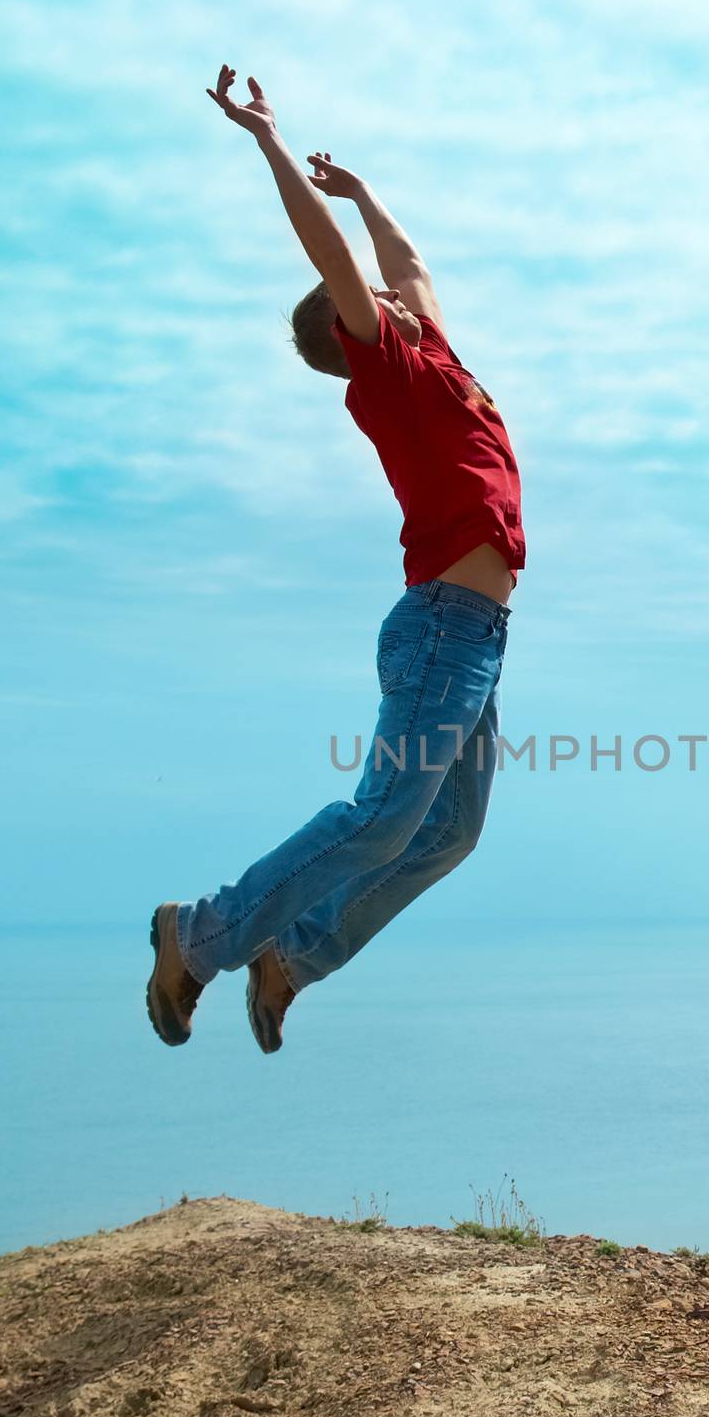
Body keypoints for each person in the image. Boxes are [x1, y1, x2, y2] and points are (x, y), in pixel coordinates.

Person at [145, 65, 525, 1055]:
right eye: (373, 296)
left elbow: (410, 265)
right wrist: (270, 143)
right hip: (442, 626)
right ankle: (202, 933)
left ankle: (293, 954)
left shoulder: (437, 356)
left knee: (446, 833)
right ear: (357, 327)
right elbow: (342, 264)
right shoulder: (391, 373)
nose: (396, 293)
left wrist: (366, 194)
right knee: (386, 817)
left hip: (475, 637)